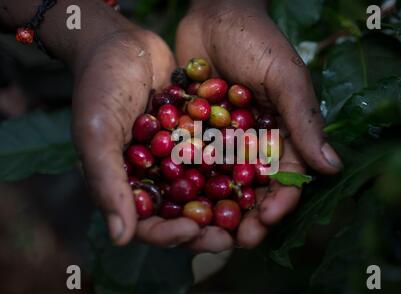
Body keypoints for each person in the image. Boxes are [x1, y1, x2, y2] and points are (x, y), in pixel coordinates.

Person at [0, 0, 342, 252]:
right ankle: (81, 250)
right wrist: (86, 31)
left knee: (96, 169)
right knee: (83, 171)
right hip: (32, 46)